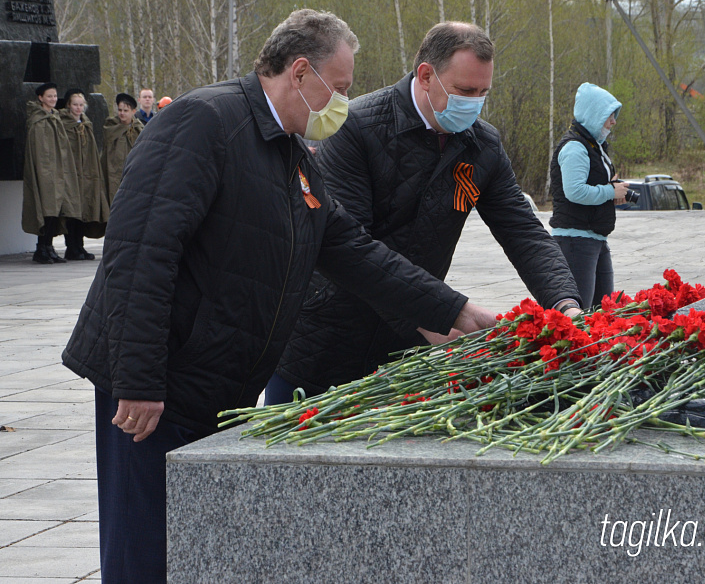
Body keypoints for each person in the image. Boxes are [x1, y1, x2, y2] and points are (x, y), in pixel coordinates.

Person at [62, 8, 495, 583]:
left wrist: (457, 311)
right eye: (338, 88)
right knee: (146, 551)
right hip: (157, 387)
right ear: (299, 72)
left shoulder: (293, 156)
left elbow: (355, 253)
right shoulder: (205, 122)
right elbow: (140, 253)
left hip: (218, 383)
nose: (343, 102)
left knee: (199, 551)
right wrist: (138, 379)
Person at [269, 21, 583, 404]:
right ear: (426, 75)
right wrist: (430, 314)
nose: (474, 102)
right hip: (322, 343)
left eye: (483, 93)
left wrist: (565, 303)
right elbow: (351, 246)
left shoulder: (481, 146)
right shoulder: (357, 128)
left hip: (403, 358)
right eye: (465, 91)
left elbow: (523, 232)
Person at [548, 82, 629, 307]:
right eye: (609, 115)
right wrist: (609, 191)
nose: (613, 121)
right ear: (594, 114)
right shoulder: (575, 147)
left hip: (594, 238)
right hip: (575, 240)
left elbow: (592, 186)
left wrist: (613, 193)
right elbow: (574, 191)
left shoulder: (594, 146)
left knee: (604, 312)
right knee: (580, 313)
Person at [22, 82, 81, 264]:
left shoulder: (55, 118)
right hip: (45, 172)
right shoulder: (38, 121)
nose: (53, 99)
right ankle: (42, 248)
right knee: (46, 209)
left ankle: (49, 247)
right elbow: (39, 151)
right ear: (41, 98)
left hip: (57, 171)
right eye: (49, 96)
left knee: (56, 210)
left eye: (55, 96)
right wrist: (45, 172)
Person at [59, 89, 110, 260]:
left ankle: (79, 246)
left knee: (83, 211)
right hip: (71, 174)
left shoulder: (85, 124)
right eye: (75, 104)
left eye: (81, 105)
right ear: (68, 105)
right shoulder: (63, 123)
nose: (78, 108)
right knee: (71, 211)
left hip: (85, 174)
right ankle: (71, 246)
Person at [102, 92, 143, 206]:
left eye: (125, 111)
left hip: (132, 172)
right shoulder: (111, 126)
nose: (122, 113)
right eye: (120, 110)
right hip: (113, 172)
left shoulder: (138, 129)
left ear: (133, 112)